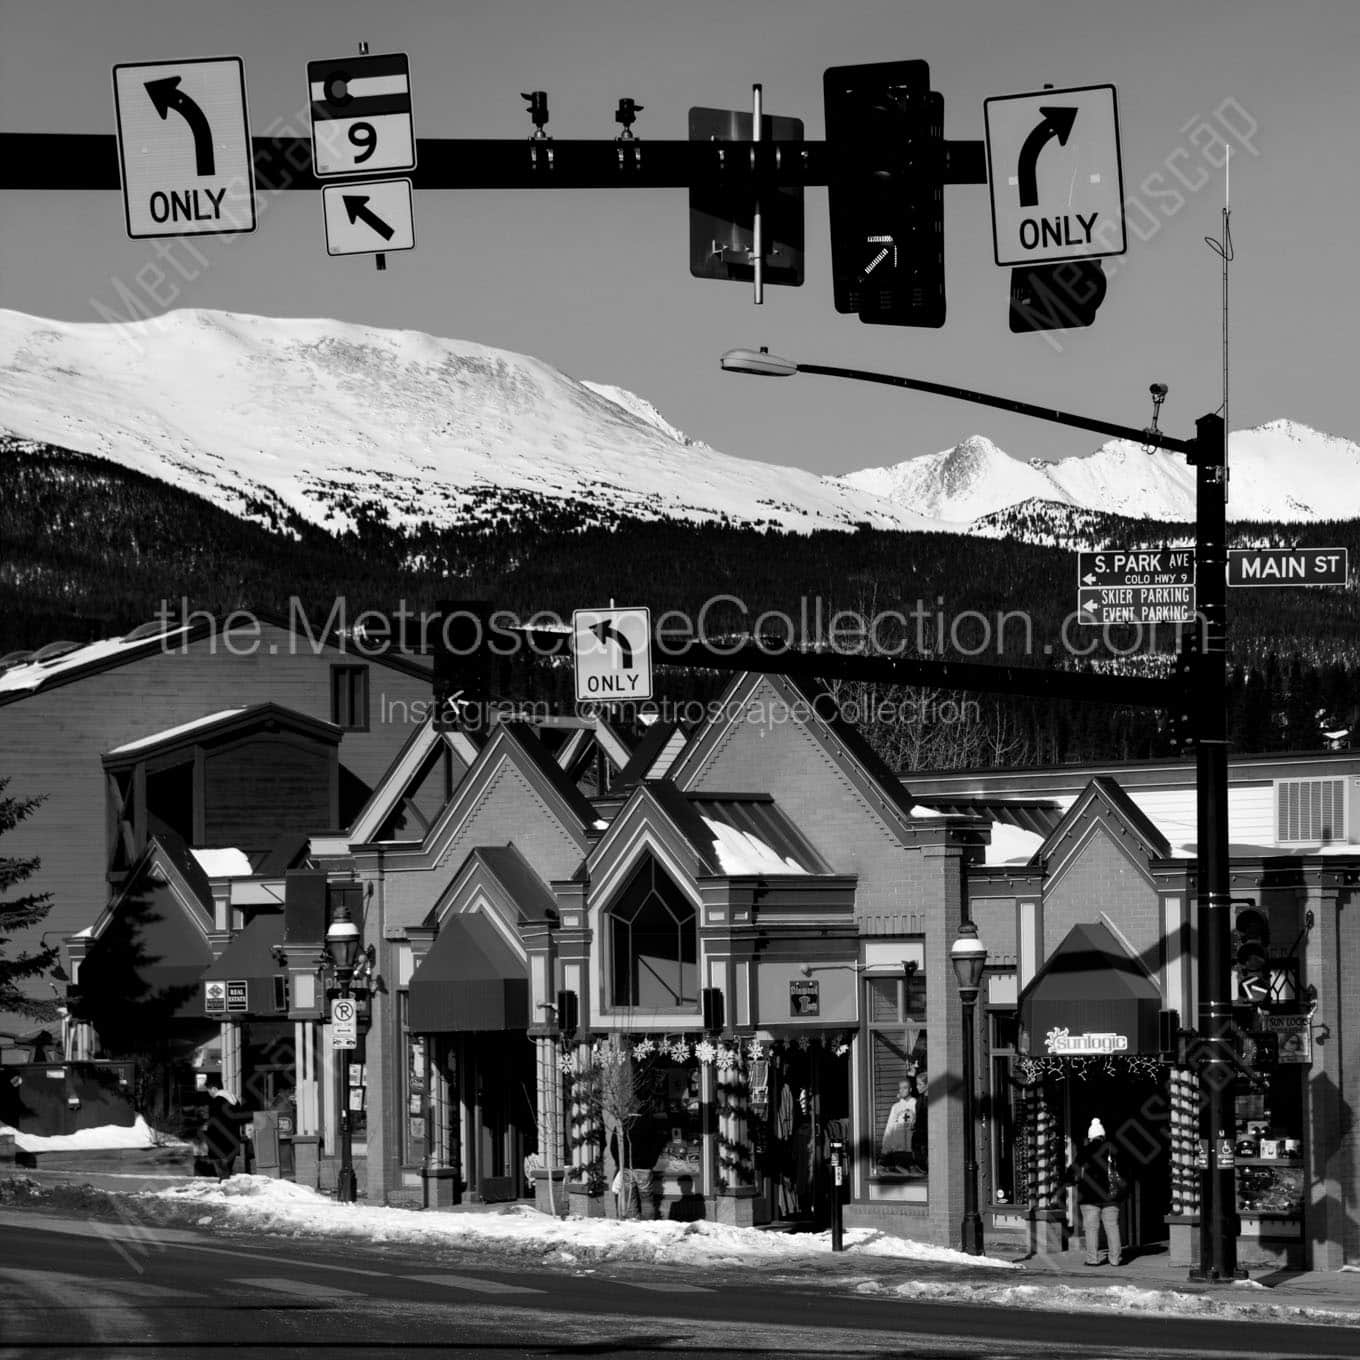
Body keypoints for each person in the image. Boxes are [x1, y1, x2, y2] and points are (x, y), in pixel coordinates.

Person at [1067, 1117, 1126, 1266]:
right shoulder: (1114, 1150)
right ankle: (1115, 1259)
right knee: (1112, 1227)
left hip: (1088, 1197)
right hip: (1111, 1196)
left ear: (1090, 1136)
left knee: (1091, 1229)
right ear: (1103, 1135)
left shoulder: (1084, 1151)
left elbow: (1070, 1173)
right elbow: (1125, 1172)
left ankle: (1092, 1259)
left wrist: (1075, 1182)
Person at [202, 1083, 251, 1181]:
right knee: (228, 1168)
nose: (209, 1093)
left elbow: (213, 1122)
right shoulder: (235, 1100)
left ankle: (224, 1187)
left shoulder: (216, 1101)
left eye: (209, 1090)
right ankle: (226, 1184)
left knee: (221, 1170)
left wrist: (207, 1134)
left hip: (219, 1140)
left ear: (214, 1088)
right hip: (233, 1139)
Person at [880, 1080, 914, 1170]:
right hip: (898, 1150)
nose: (901, 1090)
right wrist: (885, 1149)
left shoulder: (915, 1104)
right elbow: (889, 1128)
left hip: (913, 1150)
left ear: (910, 1089)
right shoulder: (895, 1107)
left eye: (905, 1088)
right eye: (900, 1088)